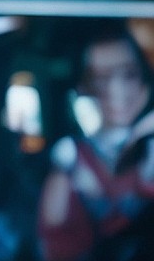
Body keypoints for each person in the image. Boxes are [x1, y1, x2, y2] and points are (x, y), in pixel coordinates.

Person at [41, 29, 154, 261]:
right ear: (84, 87)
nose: (117, 91)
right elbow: (55, 242)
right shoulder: (70, 156)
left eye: (129, 74)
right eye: (101, 79)